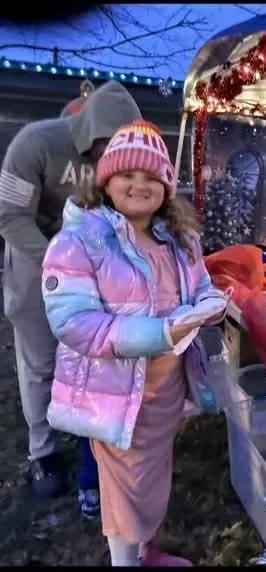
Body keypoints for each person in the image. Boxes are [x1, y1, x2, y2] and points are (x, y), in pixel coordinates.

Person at [41, 118, 226, 566]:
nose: (139, 185)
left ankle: (146, 550)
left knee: (152, 476)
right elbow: (75, 323)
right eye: (127, 174)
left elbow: (200, 287)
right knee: (125, 488)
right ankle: (126, 560)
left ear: (166, 185)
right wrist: (160, 332)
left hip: (165, 390)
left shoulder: (179, 240)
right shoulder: (79, 240)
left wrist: (212, 304)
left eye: (152, 177)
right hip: (114, 393)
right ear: (106, 179)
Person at [0, 80, 142, 516]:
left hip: (92, 259)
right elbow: (9, 215)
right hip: (35, 251)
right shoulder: (36, 144)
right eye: (104, 148)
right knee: (41, 361)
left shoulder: (123, 164)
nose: (110, 160)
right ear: (88, 133)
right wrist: (58, 260)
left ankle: (94, 450)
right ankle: (43, 451)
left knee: (90, 359)